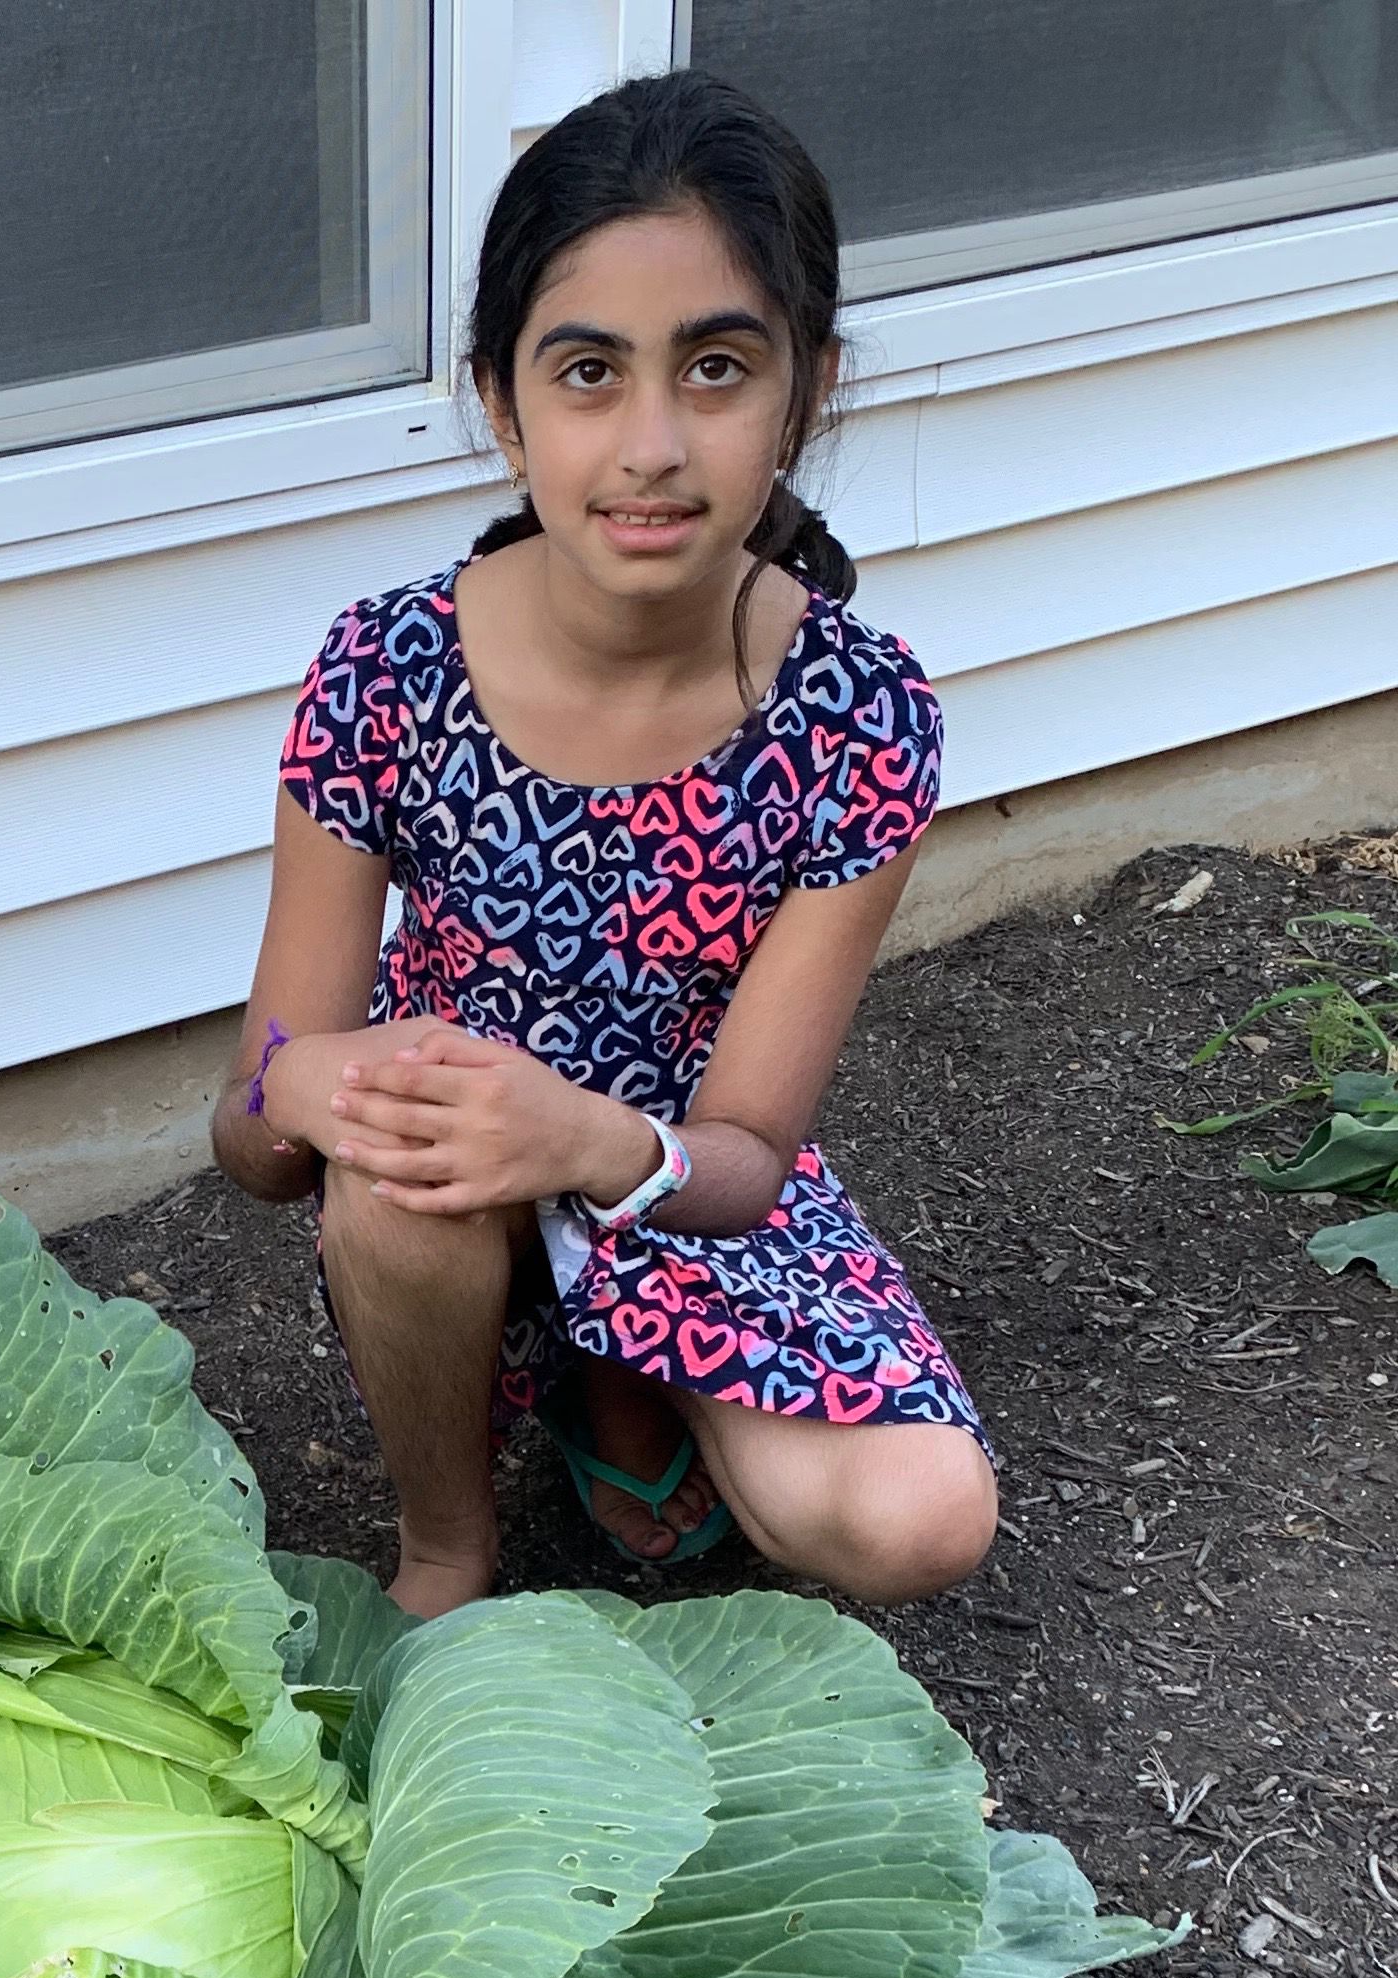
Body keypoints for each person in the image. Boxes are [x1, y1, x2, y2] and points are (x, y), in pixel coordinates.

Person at [212, 68, 997, 1617]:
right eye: (587, 373)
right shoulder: (386, 672)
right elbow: (250, 1116)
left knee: (924, 1518)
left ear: (808, 392)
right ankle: (449, 1544)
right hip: (451, 1202)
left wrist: (593, 1141)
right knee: (401, 1176)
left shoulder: (856, 715)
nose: (650, 442)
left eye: (715, 368)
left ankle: (619, 1385)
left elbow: (750, 1156)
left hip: (673, 1173)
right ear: (502, 404)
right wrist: (307, 1082)